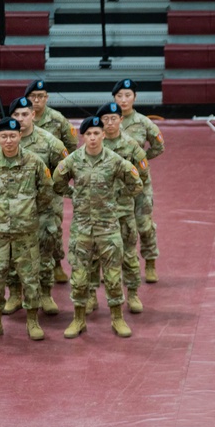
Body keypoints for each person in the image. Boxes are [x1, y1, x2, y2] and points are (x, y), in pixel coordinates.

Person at [52, 115, 143, 339]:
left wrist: (116, 197)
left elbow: (136, 183)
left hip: (108, 228)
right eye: (88, 134)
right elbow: (57, 181)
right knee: (80, 277)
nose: (92, 138)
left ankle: (117, 318)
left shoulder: (114, 160)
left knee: (112, 277)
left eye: (96, 133)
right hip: (82, 228)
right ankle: (78, 319)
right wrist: (73, 195)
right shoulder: (73, 161)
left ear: (103, 134)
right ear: (83, 136)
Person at [0, 96, 69, 316]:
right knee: (11, 256)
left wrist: (39, 202)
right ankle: (14, 294)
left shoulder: (50, 142)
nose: (21, 118)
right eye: (16, 115)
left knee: (44, 252)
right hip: (7, 215)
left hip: (44, 209)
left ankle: (46, 294)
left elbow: (63, 171)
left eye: (25, 114)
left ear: (33, 114)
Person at [0, 118, 53, 341]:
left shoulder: (34, 162)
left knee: (30, 277)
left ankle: (32, 321)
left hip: (26, 231)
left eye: (12, 136)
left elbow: (46, 191)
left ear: (19, 136)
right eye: (3, 136)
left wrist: (29, 211)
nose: (9, 140)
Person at [95, 100, 150, 315]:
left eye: (113, 119)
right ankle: (91, 295)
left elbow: (142, 174)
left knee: (128, 253)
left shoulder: (130, 146)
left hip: (123, 209)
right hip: (99, 211)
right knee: (95, 255)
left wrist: (126, 193)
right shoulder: (94, 144)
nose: (109, 123)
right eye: (105, 119)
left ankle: (133, 294)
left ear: (120, 120)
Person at [112, 79, 164, 283]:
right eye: (119, 96)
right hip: (116, 185)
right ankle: (115, 267)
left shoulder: (143, 122)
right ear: (114, 98)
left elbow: (159, 146)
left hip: (140, 183)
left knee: (144, 225)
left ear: (135, 97)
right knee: (116, 227)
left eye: (128, 95)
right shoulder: (109, 121)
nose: (124, 100)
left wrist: (140, 160)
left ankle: (150, 262)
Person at [25, 80, 75, 284]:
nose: (37, 100)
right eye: (33, 97)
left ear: (46, 98)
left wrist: (60, 173)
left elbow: (70, 147)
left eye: (41, 96)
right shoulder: (20, 119)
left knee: (52, 226)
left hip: (50, 184)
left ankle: (56, 264)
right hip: (25, 185)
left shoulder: (57, 119)